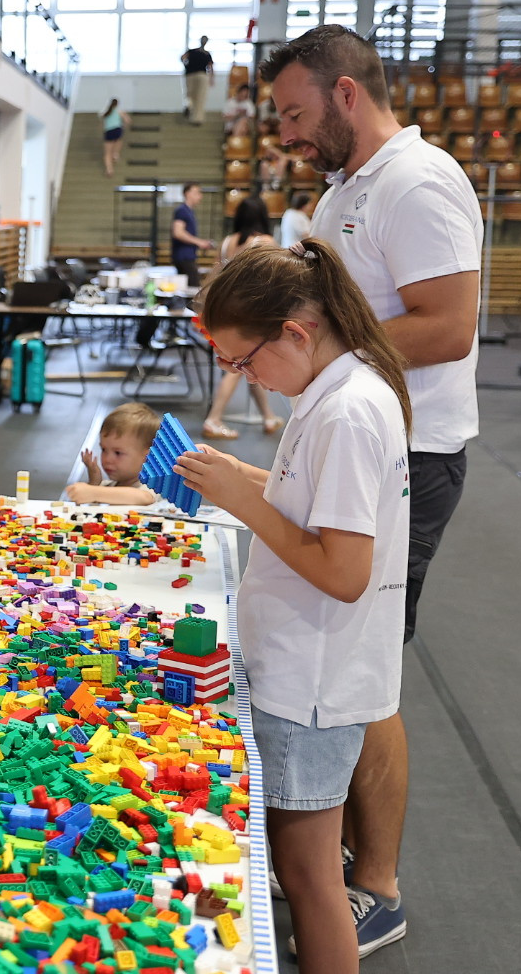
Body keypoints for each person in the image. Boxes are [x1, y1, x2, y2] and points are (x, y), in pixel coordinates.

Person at [263, 23, 483, 958]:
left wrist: (324, 353)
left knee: (365, 676)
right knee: (333, 660)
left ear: (346, 94)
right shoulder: (345, 187)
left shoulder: (418, 181)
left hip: (408, 454)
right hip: (346, 439)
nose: (286, 133)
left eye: (295, 113)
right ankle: (331, 854)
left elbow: (450, 325)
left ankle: (377, 884)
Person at [174, 237, 412, 974]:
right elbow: (310, 503)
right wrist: (240, 473)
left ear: (296, 333)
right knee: (304, 866)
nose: (244, 378)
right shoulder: (337, 390)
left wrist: (242, 498)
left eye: (246, 363)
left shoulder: (347, 413)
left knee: (310, 875)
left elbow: (344, 571)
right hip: (306, 666)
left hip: (313, 682)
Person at [202, 196, 284, 440]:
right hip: (251, 312)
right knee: (238, 366)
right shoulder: (265, 241)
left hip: (224, 310)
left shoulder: (227, 242)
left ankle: (268, 416)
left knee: (247, 363)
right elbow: (275, 280)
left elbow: (214, 275)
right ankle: (213, 419)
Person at [62, 402, 160, 505]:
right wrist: (94, 482)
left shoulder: (150, 485)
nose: (107, 459)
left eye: (118, 453)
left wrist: (94, 492)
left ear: (147, 457)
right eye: (104, 449)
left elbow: (143, 497)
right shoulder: (109, 486)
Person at [170, 182, 215, 286]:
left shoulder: (189, 212)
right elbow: (178, 232)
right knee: (193, 286)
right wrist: (199, 242)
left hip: (188, 256)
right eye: (197, 193)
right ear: (187, 193)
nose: (200, 196)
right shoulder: (182, 211)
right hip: (184, 257)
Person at [180, 36, 214, 124]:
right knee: (200, 97)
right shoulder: (206, 54)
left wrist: (186, 66)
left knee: (190, 94)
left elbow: (182, 57)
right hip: (201, 75)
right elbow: (210, 67)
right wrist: (212, 78)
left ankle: (189, 105)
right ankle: (197, 118)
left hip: (190, 74)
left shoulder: (192, 51)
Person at [100, 98, 130, 178]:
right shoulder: (119, 111)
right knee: (118, 141)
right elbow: (127, 120)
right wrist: (123, 126)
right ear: (117, 104)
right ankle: (116, 154)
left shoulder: (106, 112)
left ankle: (109, 169)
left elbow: (103, 120)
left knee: (107, 153)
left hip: (108, 131)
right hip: (117, 129)